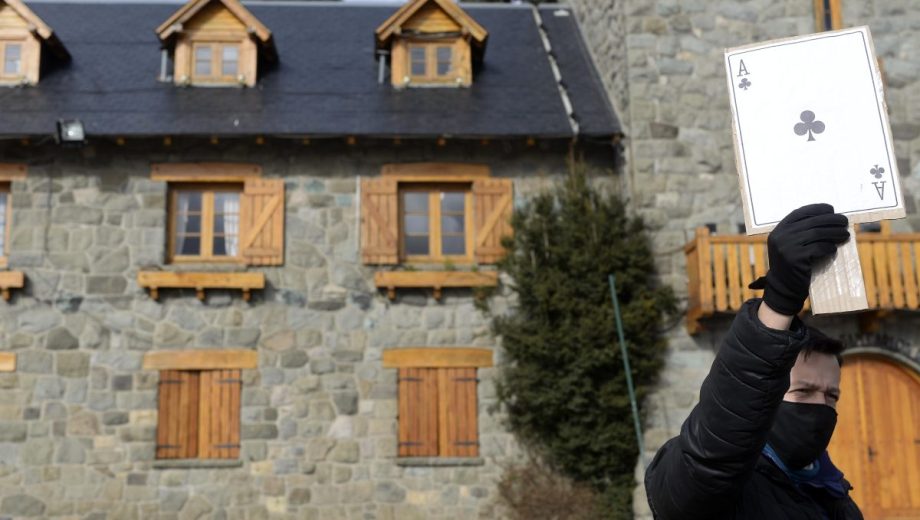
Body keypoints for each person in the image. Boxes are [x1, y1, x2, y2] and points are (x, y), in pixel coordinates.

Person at [645, 204, 864, 519]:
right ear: (768, 393)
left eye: (832, 396)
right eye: (803, 391)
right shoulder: (716, 488)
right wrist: (779, 302)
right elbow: (712, 458)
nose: (820, 407)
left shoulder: (834, 493)